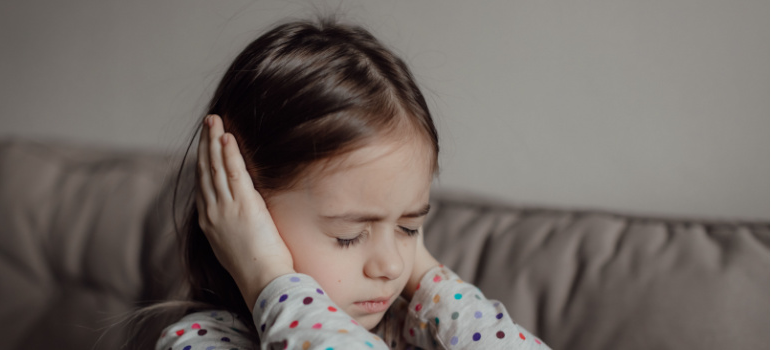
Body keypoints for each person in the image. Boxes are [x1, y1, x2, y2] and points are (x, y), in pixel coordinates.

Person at [150, 15, 550, 350]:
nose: (392, 265)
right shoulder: (199, 341)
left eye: (409, 228)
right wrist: (266, 277)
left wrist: (427, 277)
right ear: (244, 215)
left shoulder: (415, 330)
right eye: (349, 236)